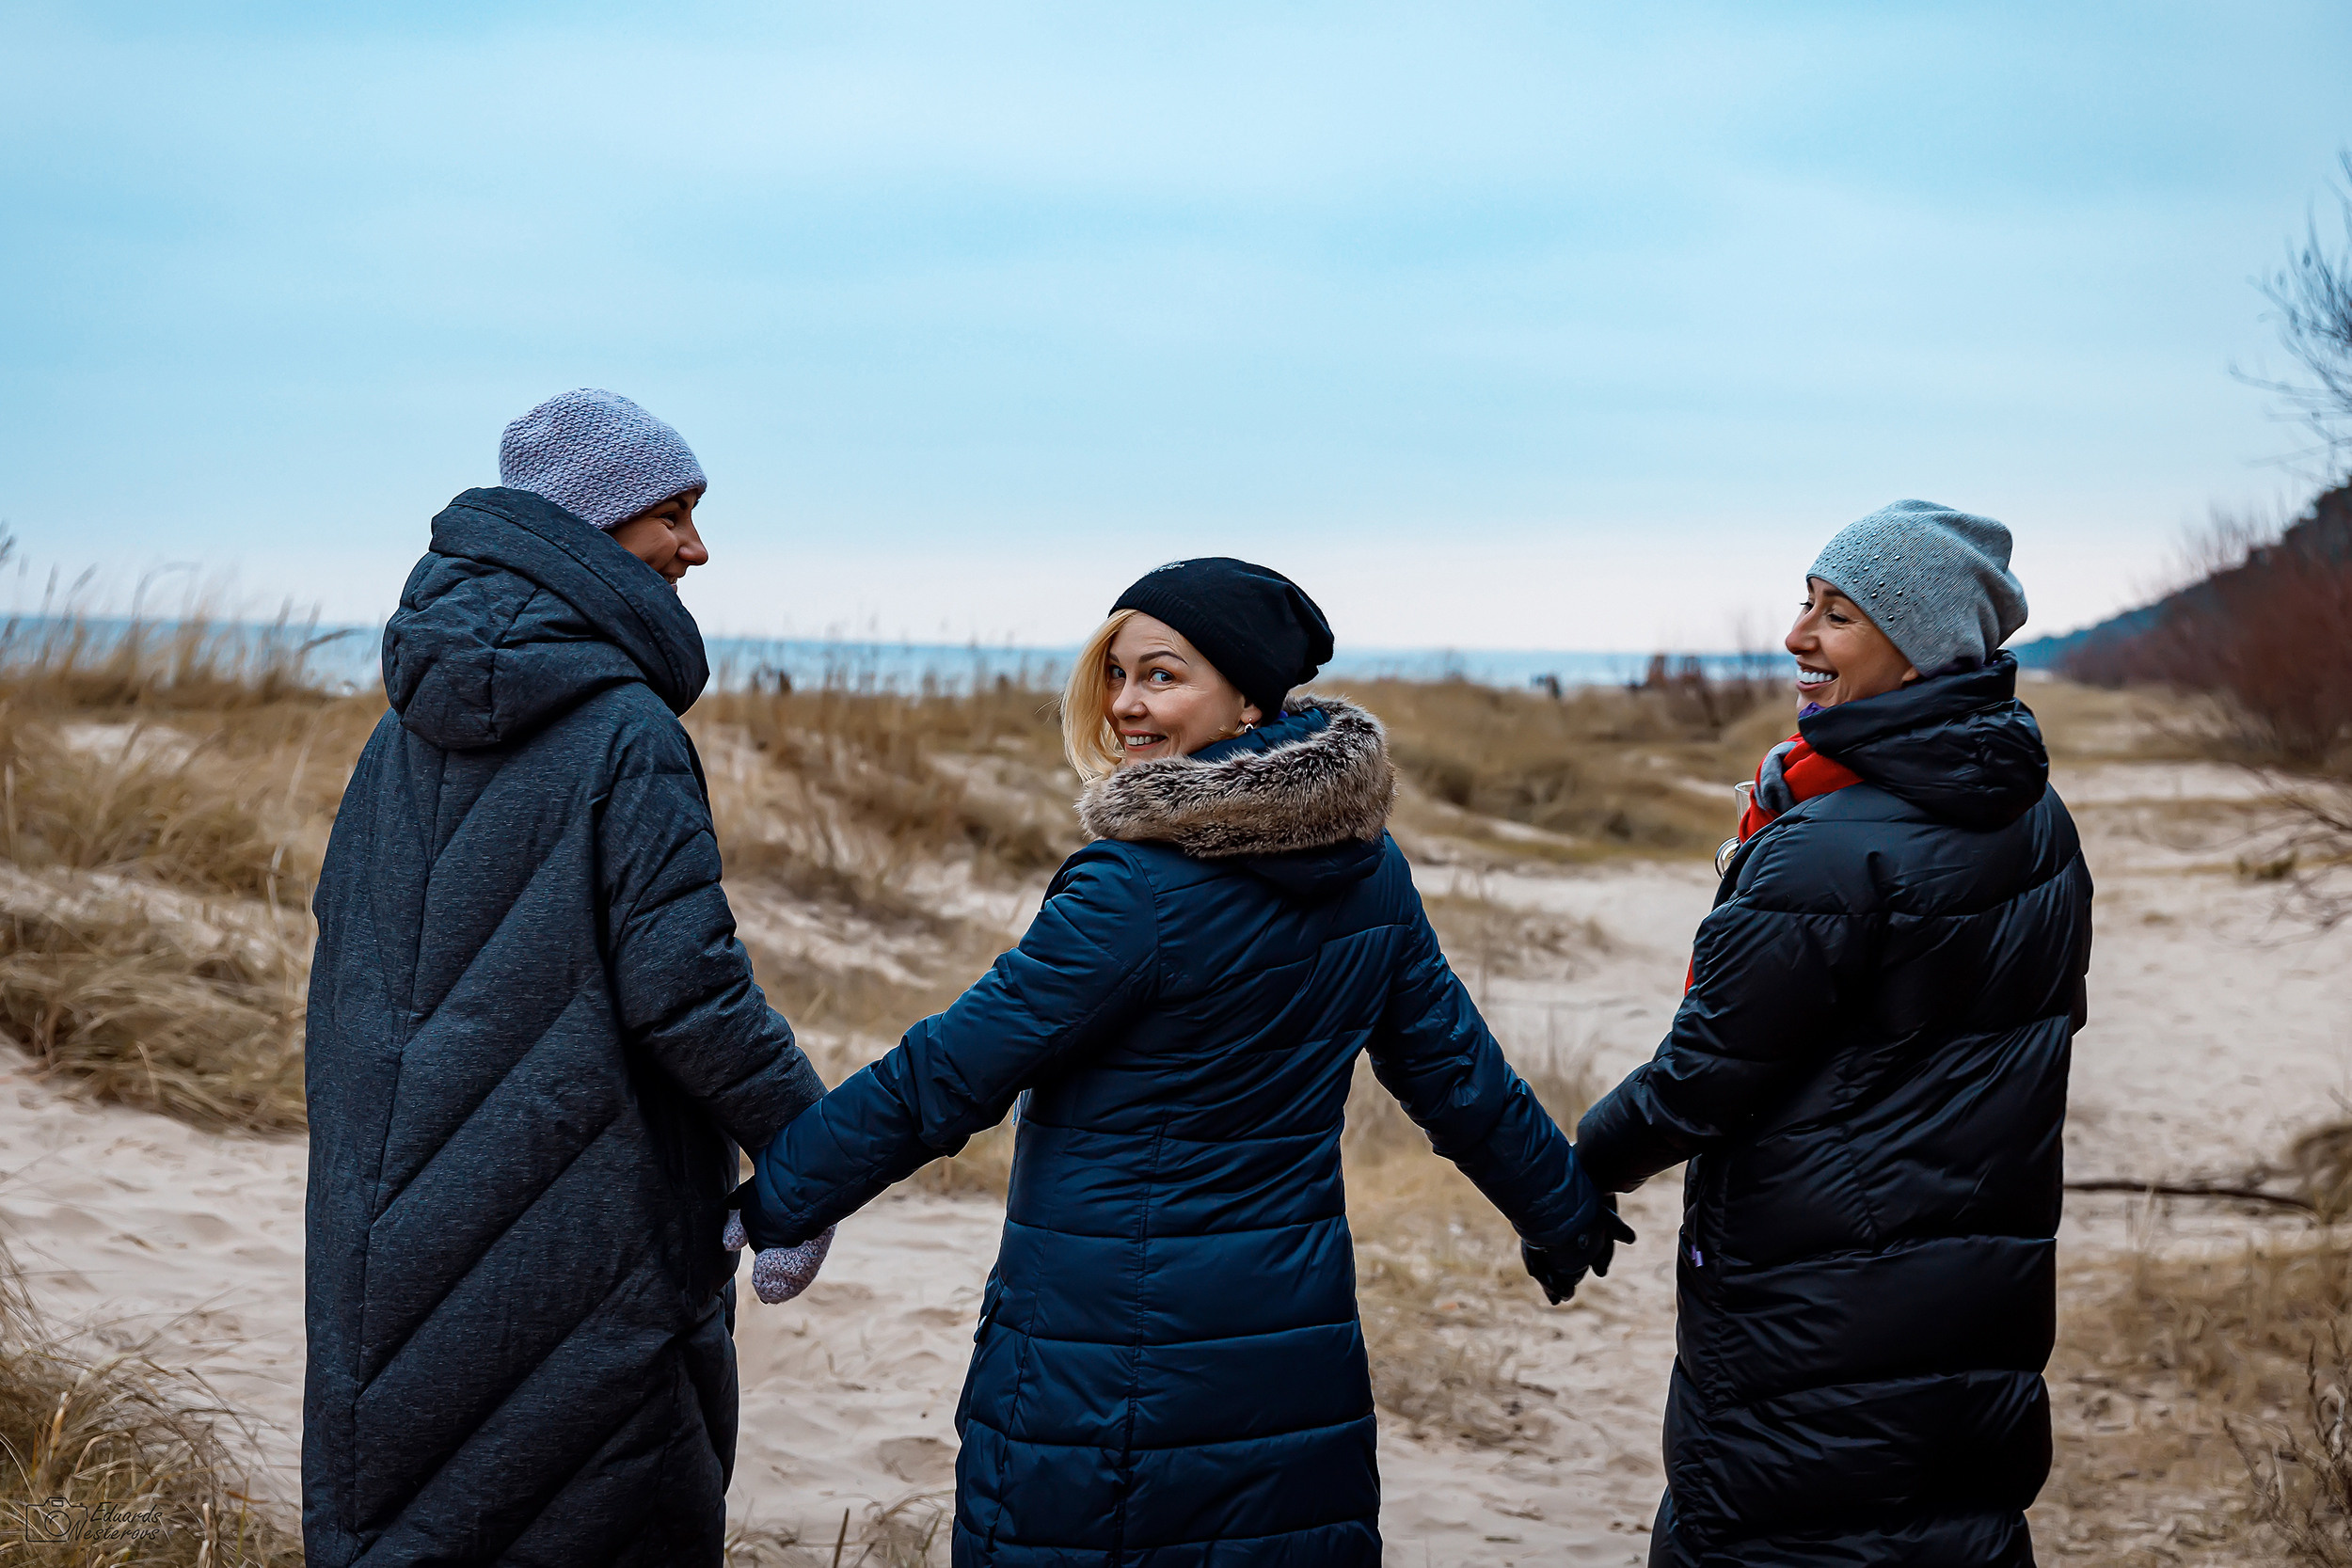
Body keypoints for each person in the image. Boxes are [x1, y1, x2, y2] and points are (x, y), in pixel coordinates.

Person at [733, 558, 1628, 1568]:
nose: (1124, 704)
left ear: (1248, 693)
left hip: (1106, 1348)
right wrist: (1560, 1209)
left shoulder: (1139, 887)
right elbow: (1457, 1074)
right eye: (1115, 675)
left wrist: (782, 1198)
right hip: (1288, 1343)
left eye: (1161, 675)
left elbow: (951, 1068)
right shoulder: (1368, 864)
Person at [303, 389, 826, 1568]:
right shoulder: (625, 729)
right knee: (598, 1496)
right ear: (594, 525)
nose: (697, 547)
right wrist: (806, 1144)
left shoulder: (402, 726)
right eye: (673, 516)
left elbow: (341, 946)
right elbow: (687, 984)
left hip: (385, 1208)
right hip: (582, 1220)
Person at [1577, 500, 2093, 1566]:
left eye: (1839, 615)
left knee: (1774, 1530)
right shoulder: (2032, 813)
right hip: (1975, 1278)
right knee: (1945, 1524)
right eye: (1804, 602)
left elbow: (1700, 1078)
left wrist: (1574, 1172)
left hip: (1817, 1286)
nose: (1796, 637)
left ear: (1920, 650)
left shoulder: (1827, 845)